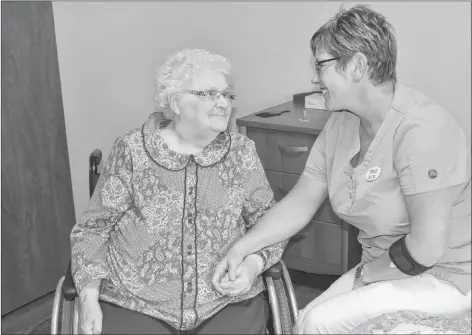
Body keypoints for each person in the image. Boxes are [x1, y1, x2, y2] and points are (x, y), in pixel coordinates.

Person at [212, 5, 471, 334]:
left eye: (321, 66)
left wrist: (364, 277)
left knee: (319, 323)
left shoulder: (422, 130)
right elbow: (300, 202)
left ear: (357, 65)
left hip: (446, 276)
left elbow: (426, 249)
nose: (314, 77)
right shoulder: (341, 124)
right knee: (304, 321)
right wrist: (241, 247)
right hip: (383, 267)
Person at [71, 48, 286, 335]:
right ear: (175, 101)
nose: (223, 103)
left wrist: (252, 266)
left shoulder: (242, 153)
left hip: (225, 300)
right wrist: (88, 299)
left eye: (226, 95)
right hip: (137, 303)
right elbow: (93, 230)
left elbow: (269, 224)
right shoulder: (133, 151)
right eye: (209, 94)